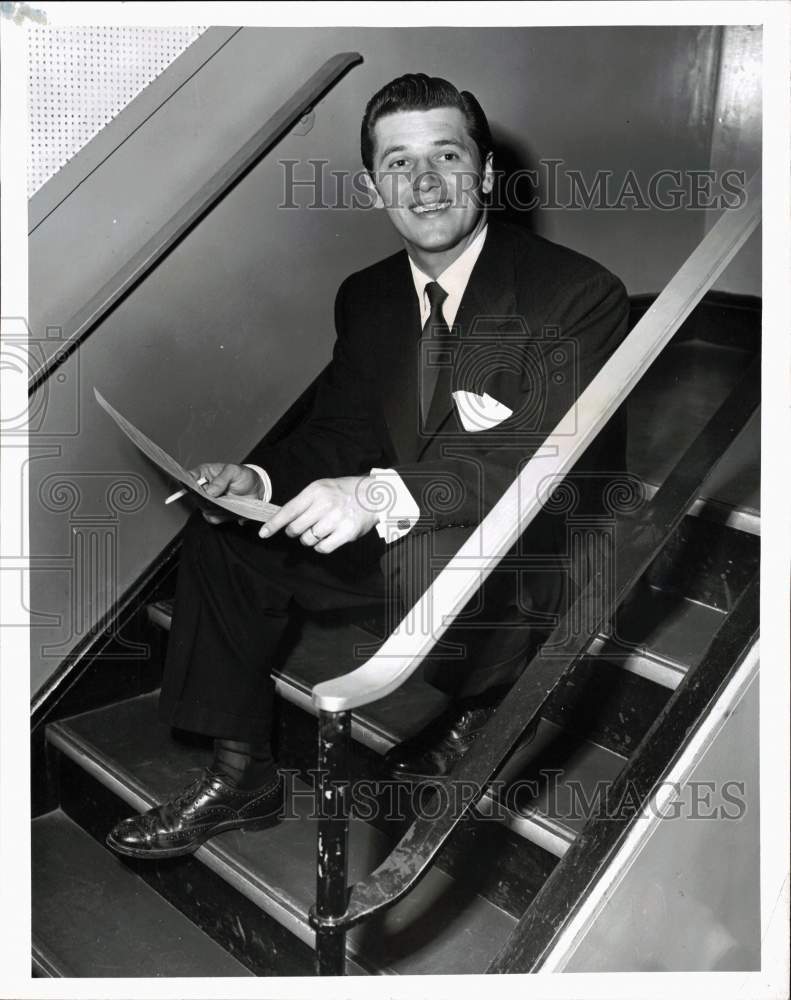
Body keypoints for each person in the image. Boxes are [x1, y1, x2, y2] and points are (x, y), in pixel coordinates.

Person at [106, 73, 629, 860]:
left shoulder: (575, 293)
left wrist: (379, 490)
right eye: (396, 164)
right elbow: (343, 429)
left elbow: (542, 463)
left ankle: (481, 704)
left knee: (428, 549)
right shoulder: (368, 296)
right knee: (223, 538)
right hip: (397, 537)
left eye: (445, 156)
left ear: (484, 172)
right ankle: (242, 770)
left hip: (511, 553)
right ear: (372, 184)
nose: (422, 184)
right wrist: (261, 481)